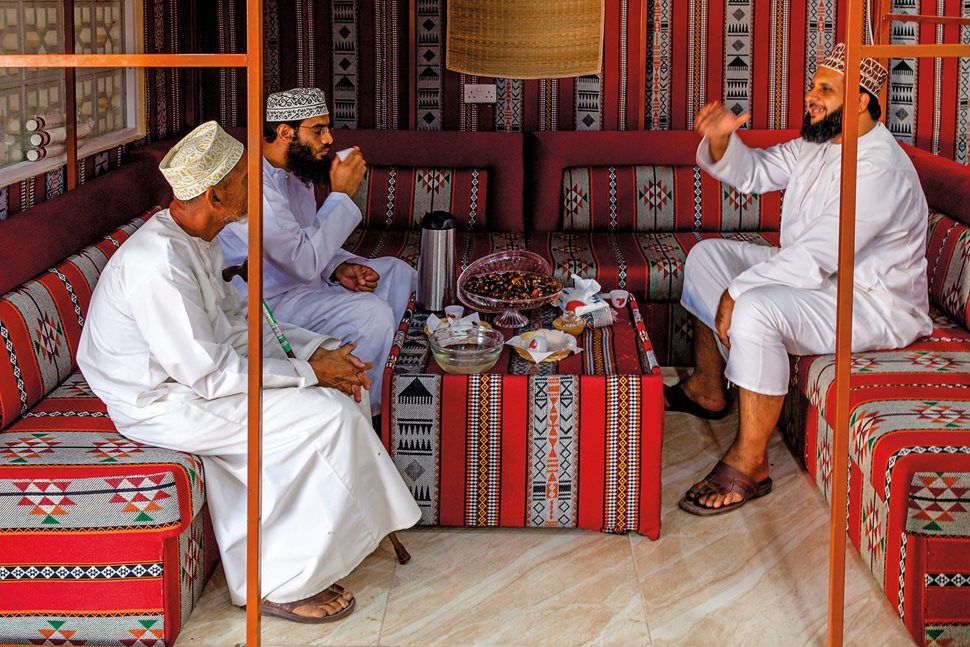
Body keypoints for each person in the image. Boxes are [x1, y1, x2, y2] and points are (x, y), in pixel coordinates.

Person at [77, 121, 421, 622]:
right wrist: (308, 374)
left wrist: (316, 352)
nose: (255, 185)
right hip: (160, 401)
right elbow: (212, 376)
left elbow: (235, 327)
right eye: (244, 178)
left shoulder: (199, 238)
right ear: (216, 195)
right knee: (324, 416)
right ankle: (276, 581)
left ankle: (322, 544)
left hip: (197, 379)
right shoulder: (158, 266)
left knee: (338, 387)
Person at [671, 43, 932, 515]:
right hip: (820, 280)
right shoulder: (821, 143)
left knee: (754, 306)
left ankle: (751, 463)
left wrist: (739, 290)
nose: (810, 96)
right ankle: (709, 388)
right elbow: (755, 172)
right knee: (708, 257)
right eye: (813, 85)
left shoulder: (880, 168)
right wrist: (721, 141)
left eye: (825, 89)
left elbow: (818, 254)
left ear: (858, 100)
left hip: (872, 303)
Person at [218, 87, 416, 416]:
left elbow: (308, 237)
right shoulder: (253, 185)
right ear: (285, 132)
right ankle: (362, 410)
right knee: (372, 314)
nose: (328, 139)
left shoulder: (297, 171)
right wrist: (340, 195)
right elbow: (300, 261)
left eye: (328, 128)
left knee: (397, 273)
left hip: (304, 285)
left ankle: (393, 375)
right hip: (268, 303)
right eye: (318, 129)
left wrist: (337, 268)